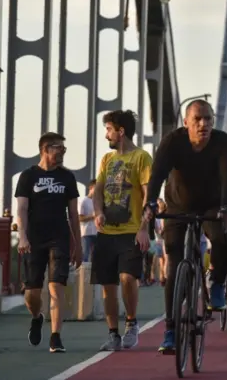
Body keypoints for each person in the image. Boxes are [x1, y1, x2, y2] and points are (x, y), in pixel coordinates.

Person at [137, 99, 227, 354]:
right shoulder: (173, 141)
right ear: (186, 123)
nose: (204, 124)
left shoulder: (224, 143)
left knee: (226, 239)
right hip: (178, 206)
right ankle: (170, 329)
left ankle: (215, 282)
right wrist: (150, 203)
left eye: (208, 119)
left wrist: (226, 208)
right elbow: (158, 174)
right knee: (173, 263)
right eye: (198, 119)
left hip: (212, 205)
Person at [15, 132, 82, 353]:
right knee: (32, 294)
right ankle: (37, 317)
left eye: (64, 148)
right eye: (58, 148)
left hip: (59, 238)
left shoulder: (67, 178)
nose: (62, 152)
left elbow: (73, 214)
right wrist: (22, 236)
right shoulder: (28, 176)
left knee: (56, 287)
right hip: (33, 240)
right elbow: (22, 209)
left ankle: (55, 336)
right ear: (45, 149)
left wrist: (78, 245)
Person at [92, 110, 153, 351]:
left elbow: (149, 194)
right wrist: (98, 212)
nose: (106, 134)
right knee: (108, 285)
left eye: (108, 129)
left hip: (131, 231)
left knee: (128, 278)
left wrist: (144, 228)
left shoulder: (142, 158)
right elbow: (98, 190)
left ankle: (131, 323)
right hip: (107, 233)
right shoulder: (107, 160)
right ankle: (113, 334)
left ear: (121, 131)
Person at [79, 179, 97, 262]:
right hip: (86, 234)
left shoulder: (98, 202)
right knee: (85, 256)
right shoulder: (83, 201)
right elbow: (80, 218)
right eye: (96, 188)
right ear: (91, 188)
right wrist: (92, 216)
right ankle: (82, 274)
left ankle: (94, 275)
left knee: (96, 257)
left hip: (98, 233)